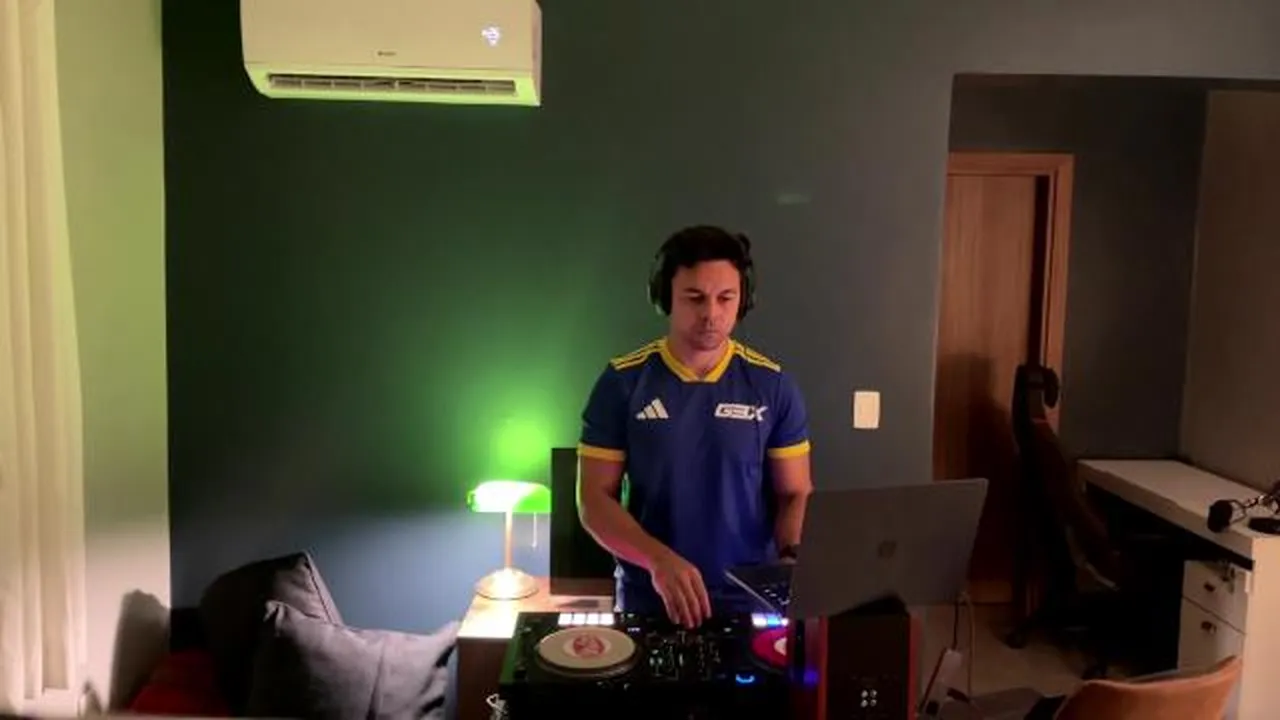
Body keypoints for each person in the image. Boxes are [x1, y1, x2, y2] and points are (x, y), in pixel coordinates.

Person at [575, 225, 814, 628]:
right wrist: (657, 560)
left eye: (726, 298)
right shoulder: (623, 382)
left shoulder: (772, 385)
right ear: (664, 296)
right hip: (650, 596)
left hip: (749, 600)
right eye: (695, 298)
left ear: (744, 299)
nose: (711, 314)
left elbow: (795, 493)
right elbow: (594, 500)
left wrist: (791, 557)